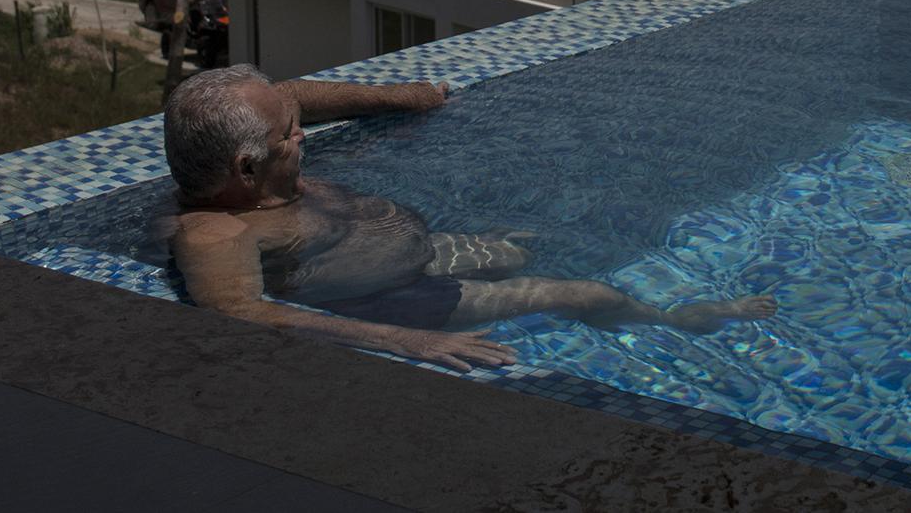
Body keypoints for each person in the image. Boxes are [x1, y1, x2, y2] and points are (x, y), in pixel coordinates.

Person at [159, 64, 774, 370]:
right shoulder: (216, 233)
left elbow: (298, 94)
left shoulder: (254, 155)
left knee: (519, 253)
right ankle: (680, 322)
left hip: (409, 254)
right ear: (245, 169)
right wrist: (411, 342)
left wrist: (409, 98)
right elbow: (245, 314)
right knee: (587, 293)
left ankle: (541, 278)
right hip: (398, 302)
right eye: (289, 135)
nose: (301, 133)